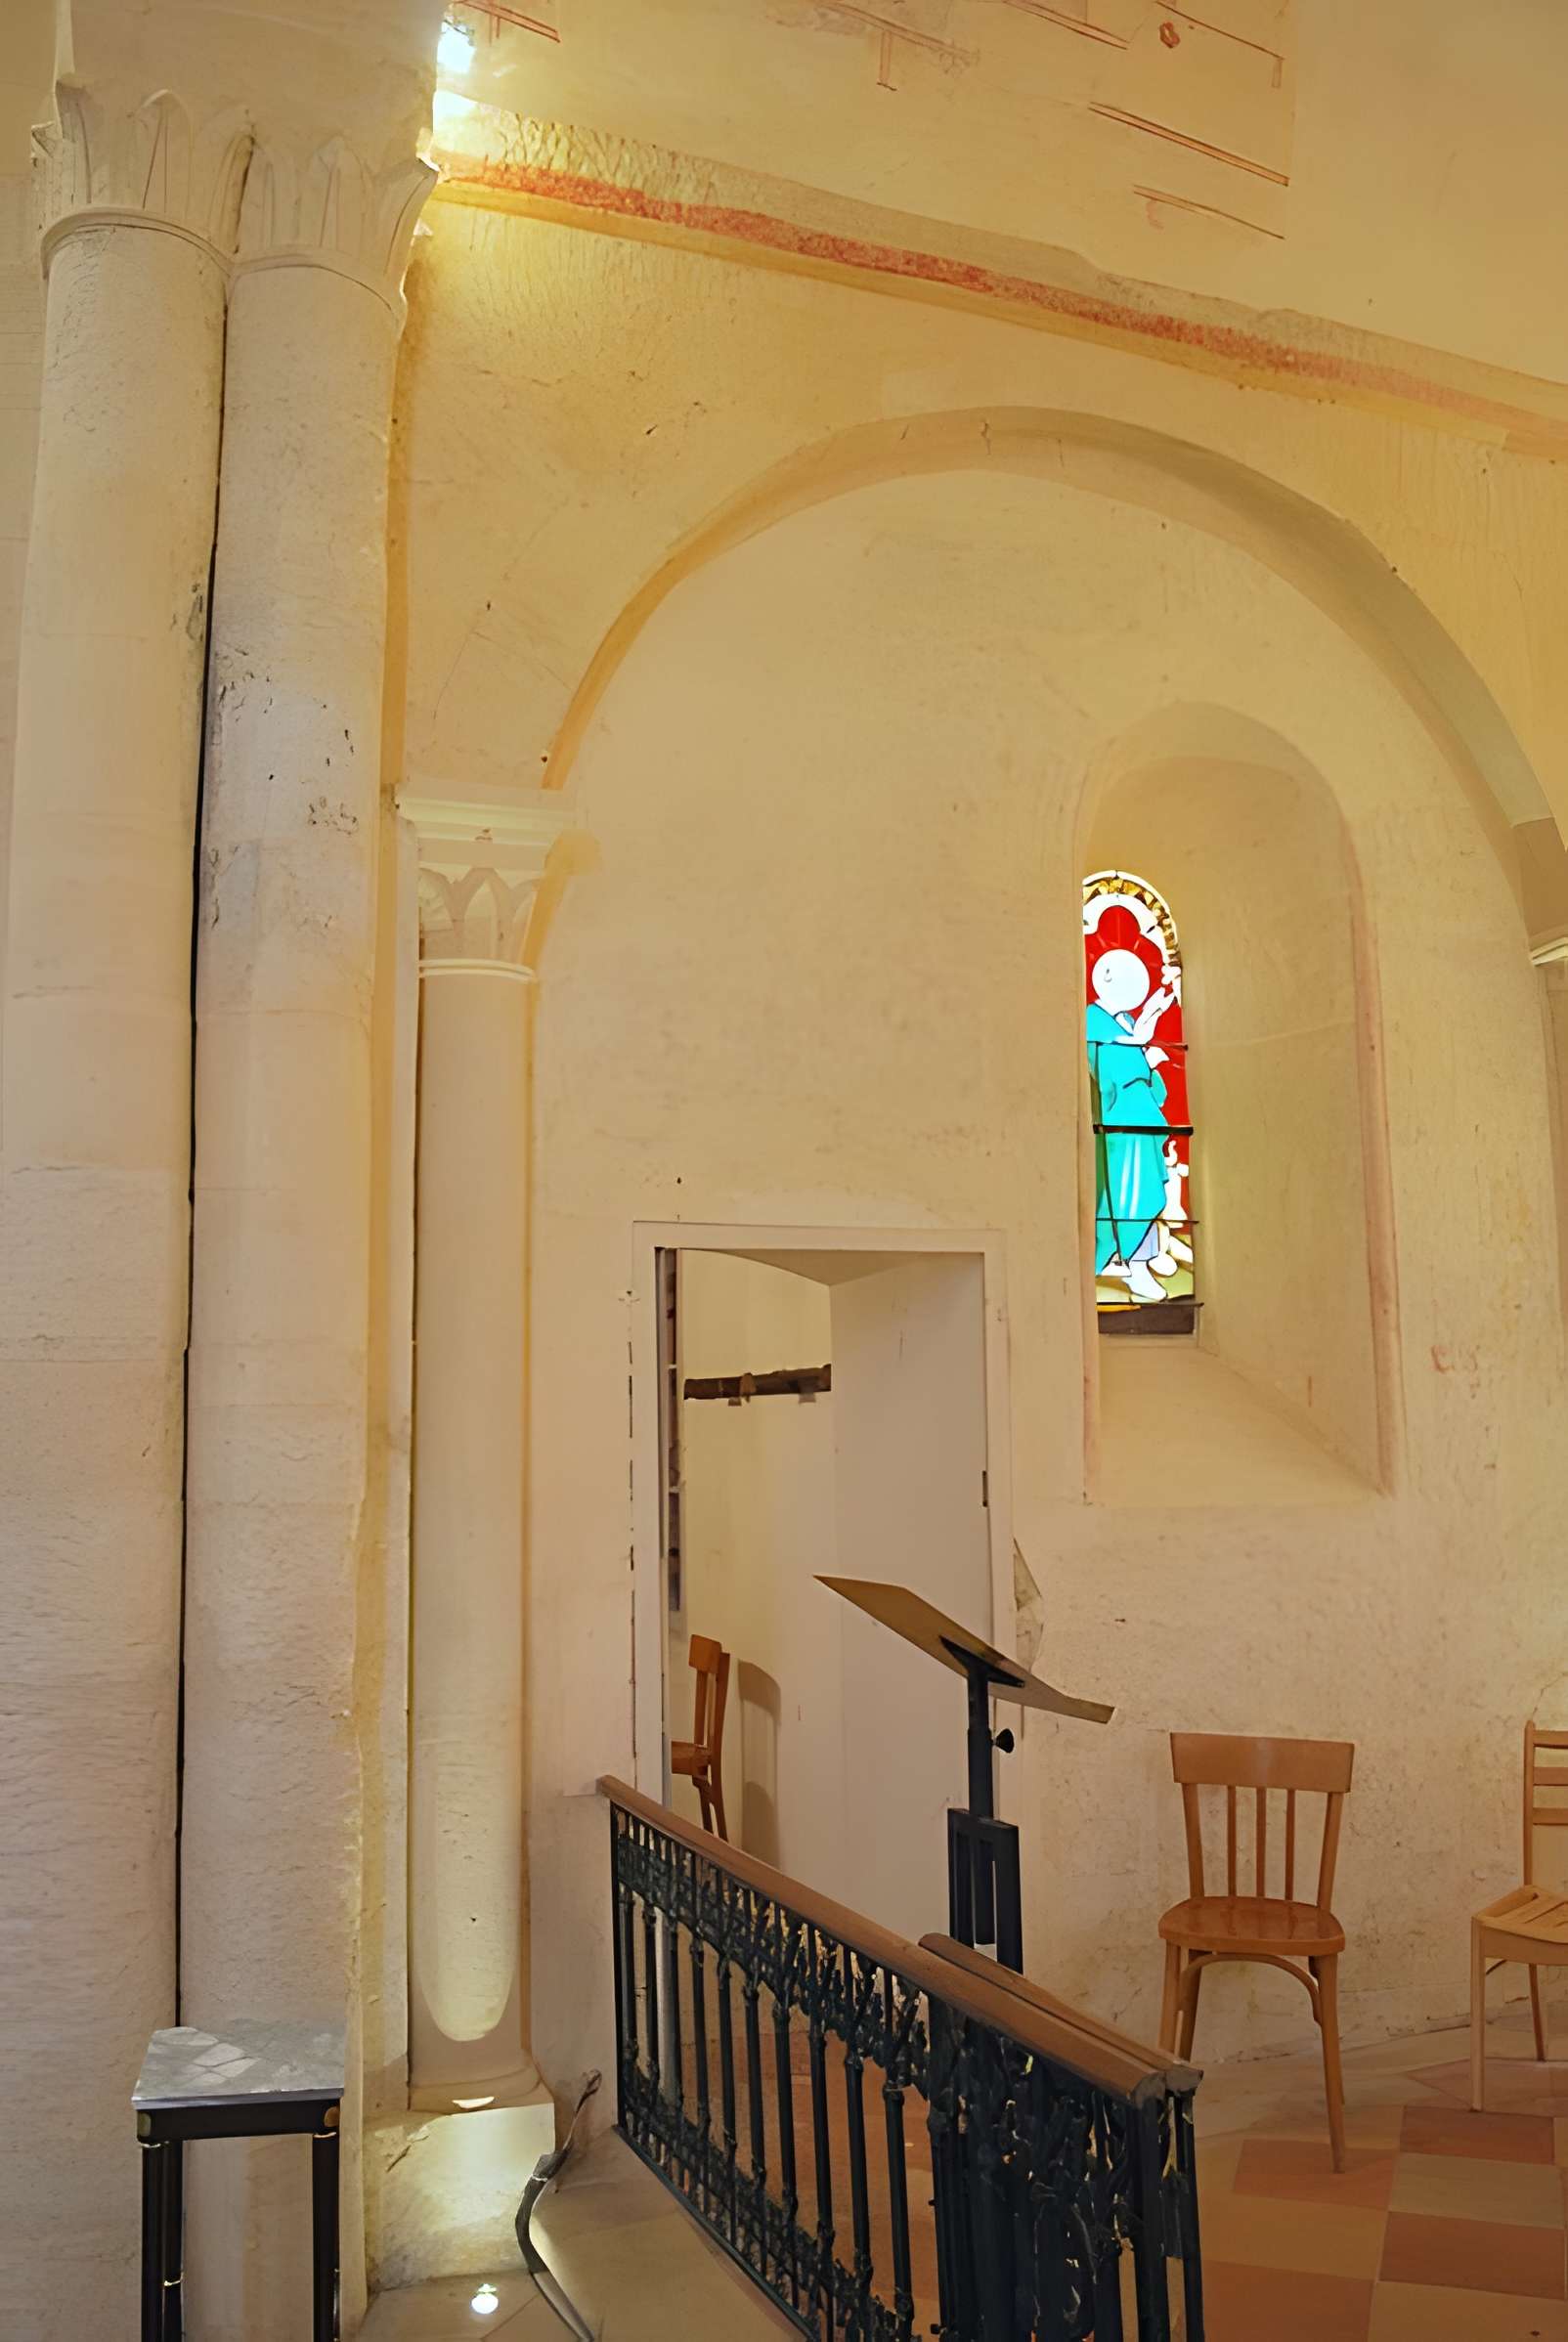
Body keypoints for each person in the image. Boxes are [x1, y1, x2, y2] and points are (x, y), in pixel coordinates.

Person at [1087, 946, 1175, 1303]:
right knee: (1126, 1199)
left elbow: (1149, 1082)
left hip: (1142, 1126)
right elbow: (1107, 1071)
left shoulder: (1123, 1021)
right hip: (1119, 1129)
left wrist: (1147, 1051)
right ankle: (1129, 1265)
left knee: (1148, 1195)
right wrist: (1139, 1044)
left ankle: (1139, 1262)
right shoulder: (1092, 1020)